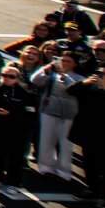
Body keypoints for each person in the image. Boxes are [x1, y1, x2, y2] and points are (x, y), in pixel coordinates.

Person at [0, 65, 37, 190]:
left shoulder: (26, 93)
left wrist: (12, 112)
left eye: (11, 76)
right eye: (4, 75)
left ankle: (14, 183)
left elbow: (31, 112)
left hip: (17, 130)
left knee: (15, 157)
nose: (7, 78)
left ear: (17, 78)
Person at [70, 64, 105, 208]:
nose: (102, 77)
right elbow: (71, 91)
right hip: (88, 132)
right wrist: (85, 82)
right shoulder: (91, 86)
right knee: (89, 163)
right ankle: (93, 189)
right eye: (100, 73)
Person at [31, 52, 83, 181]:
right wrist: (46, 68)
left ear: (74, 64)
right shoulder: (52, 74)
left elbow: (75, 89)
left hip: (69, 113)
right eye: (63, 60)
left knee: (65, 143)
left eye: (68, 61)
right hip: (49, 109)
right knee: (46, 139)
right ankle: (46, 166)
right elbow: (35, 80)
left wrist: (63, 76)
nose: (64, 63)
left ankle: (64, 170)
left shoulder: (79, 77)